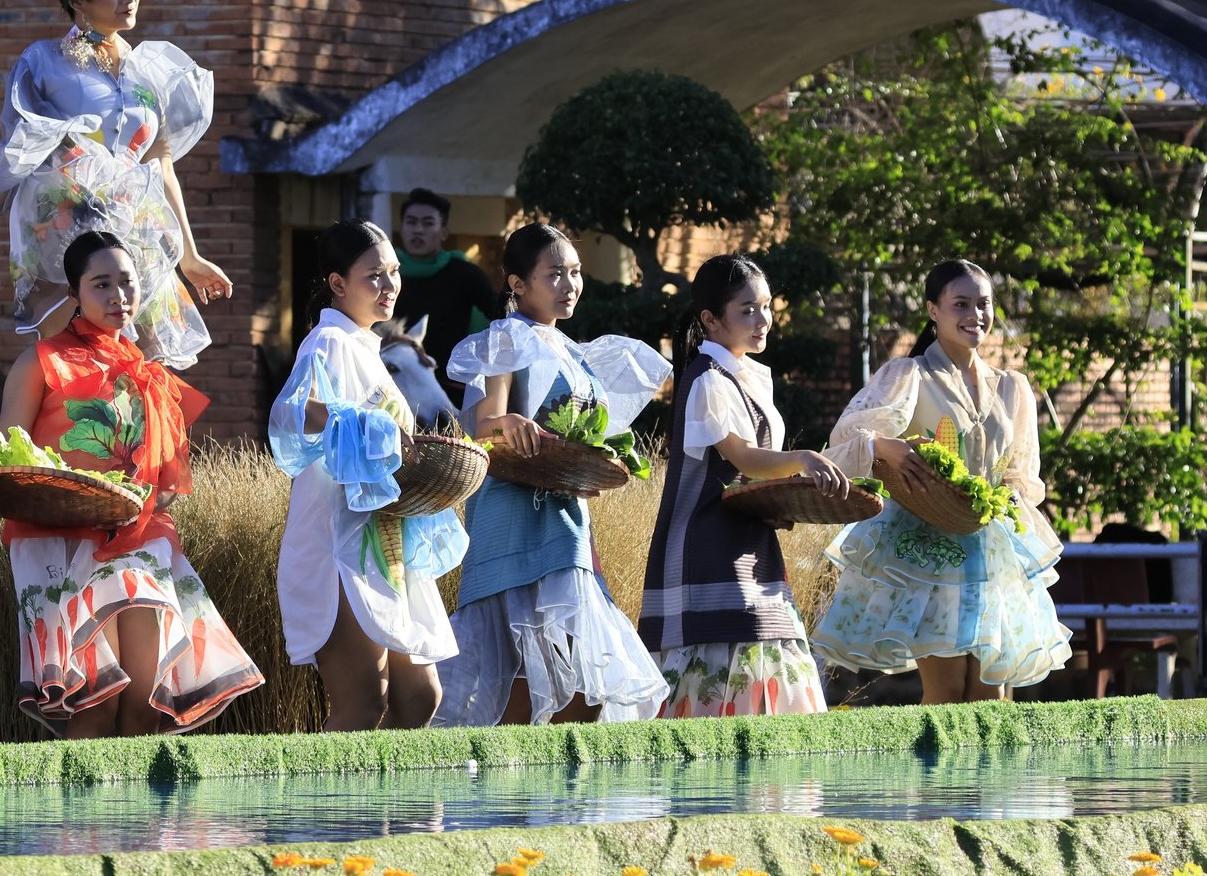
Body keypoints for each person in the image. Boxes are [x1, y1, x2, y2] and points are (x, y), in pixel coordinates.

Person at [0, 230, 262, 736]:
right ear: (74, 293)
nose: (118, 296)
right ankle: (77, 818)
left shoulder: (151, 375)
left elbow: (166, 479)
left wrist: (132, 500)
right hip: (58, 538)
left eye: (127, 282)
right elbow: (7, 455)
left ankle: (134, 819)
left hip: (138, 537)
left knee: (144, 702)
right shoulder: (41, 361)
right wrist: (74, 495)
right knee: (92, 705)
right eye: (102, 285)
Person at [0, 0, 230, 368]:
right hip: (68, 226)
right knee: (75, 360)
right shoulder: (44, 61)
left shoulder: (152, 68)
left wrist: (188, 255)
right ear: (78, 2)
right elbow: (20, 141)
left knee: (142, 366)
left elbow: (161, 167)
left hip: (137, 225)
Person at [435, 224, 670, 726]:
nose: (570, 284)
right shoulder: (505, 336)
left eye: (576, 272)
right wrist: (510, 422)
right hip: (511, 515)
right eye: (555, 274)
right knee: (520, 676)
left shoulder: (573, 350)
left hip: (565, 517)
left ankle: (549, 797)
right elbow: (483, 424)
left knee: (578, 684)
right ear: (518, 284)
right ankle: (509, 794)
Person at [811, 260, 1072, 702]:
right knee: (947, 689)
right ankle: (939, 775)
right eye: (961, 304)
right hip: (928, 544)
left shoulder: (1012, 386)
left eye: (984, 304)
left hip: (993, 546)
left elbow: (1023, 475)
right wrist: (885, 446)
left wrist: (1001, 500)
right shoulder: (907, 375)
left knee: (992, 691)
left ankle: (993, 774)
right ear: (934, 311)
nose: (976, 315)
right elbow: (846, 435)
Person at [270, 220, 469, 731]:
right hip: (340, 540)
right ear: (338, 284)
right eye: (374, 276)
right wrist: (366, 426)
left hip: (384, 537)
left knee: (420, 695)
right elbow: (291, 412)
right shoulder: (328, 342)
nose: (389, 286)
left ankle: (399, 810)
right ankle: (328, 812)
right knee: (362, 704)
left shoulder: (364, 345)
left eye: (394, 273)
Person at [638, 254, 847, 719]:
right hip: (708, 542)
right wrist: (803, 459)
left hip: (746, 537)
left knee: (768, 639)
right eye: (747, 310)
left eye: (766, 306)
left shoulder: (741, 374)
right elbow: (744, 459)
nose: (763, 319)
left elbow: (749, 472)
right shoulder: (709, 379)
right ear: (710, 320)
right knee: (730, 644)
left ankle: (760, 788)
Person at [394, 189, 502, 404]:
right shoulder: (386, 273)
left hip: (450, 393)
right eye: (411, 222)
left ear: (443, 232)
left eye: (427, 223)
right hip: (394, 391)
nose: (418, 230)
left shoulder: (464, 274)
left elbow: (503, 316)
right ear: (402, 228)